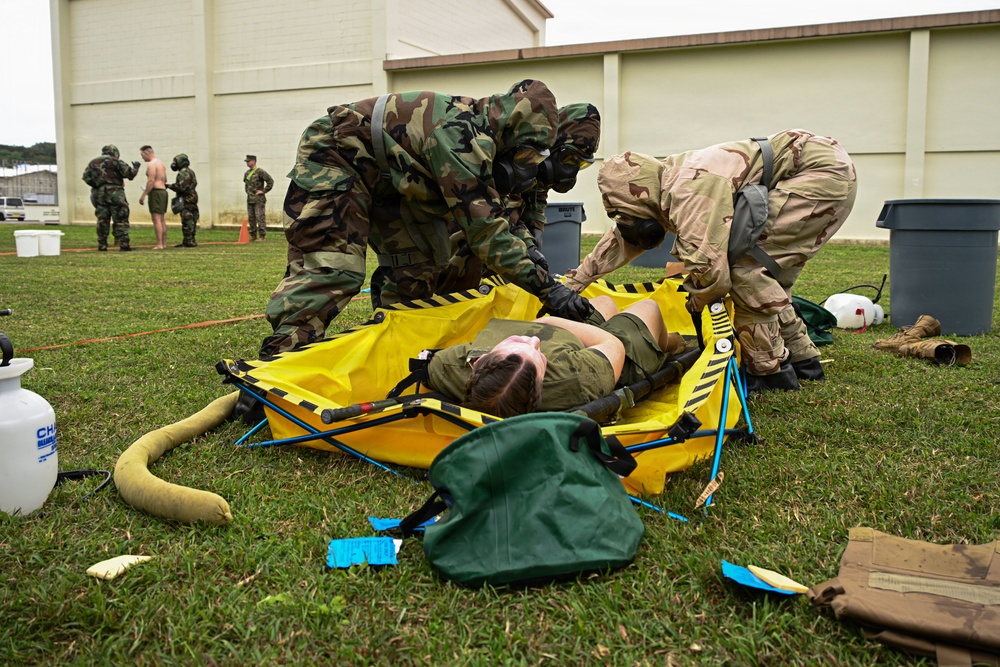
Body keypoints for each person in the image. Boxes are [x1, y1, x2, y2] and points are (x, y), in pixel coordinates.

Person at [260, 79, 594, 358]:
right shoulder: (462, 136)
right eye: (524, 154)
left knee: (420, 264)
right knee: (336, 267)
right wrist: (550, 291)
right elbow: (487, 232)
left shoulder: (489, 140)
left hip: (393, 177)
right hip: (338, 154)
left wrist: (535, 260)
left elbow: (507, 218)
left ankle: (397, 344)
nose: (526, 165)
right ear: (509, 129)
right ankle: (276, 361)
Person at [564, 129, 858, 392]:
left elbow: (713, 275)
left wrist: (695, 301)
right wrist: (573, 283)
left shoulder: (688, 189)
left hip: (819, 174)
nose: (632, 225)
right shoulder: (660, 183)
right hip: (818, 167)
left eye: (630, 215)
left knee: (747, 271)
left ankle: (770, 373)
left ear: (641, 198)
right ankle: (804, 361)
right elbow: (620, 241)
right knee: (765, 275)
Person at [432, 102, 602, 296]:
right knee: (476, 248)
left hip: (496, 220)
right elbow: (491, 217)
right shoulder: (513, 156)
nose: (571, 170)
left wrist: (535, 229)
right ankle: (453, 300)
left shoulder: (544, 168)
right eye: (569, 159)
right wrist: (526, 243)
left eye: (580, 164)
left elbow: (537, 196)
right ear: (552, 145)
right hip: (469, 216)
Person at [425, 296, 686, 417]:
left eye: (517, 341)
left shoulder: (449, 366)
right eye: (539, 355)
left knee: (605, 303)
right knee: (648, 308)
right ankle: (673, 343)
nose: (534, 340)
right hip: (609, 356)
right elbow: (612, 344)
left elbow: (433, 362)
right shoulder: (579, 377)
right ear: (542, 383)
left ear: (479, 361)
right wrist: (548, 321)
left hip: (565, 341)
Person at [81, 144, 141, 251]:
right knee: (121, 218)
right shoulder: (116, 161)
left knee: (102, 219)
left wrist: (97, 185)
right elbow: (130, 175)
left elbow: (86, 177)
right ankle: (123, 244)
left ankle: (102, 244)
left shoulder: (93, 162)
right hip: (116, 193)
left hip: (100, 193)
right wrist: (136, 167)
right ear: (115, 152)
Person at [138, 145, 169, 249]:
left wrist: (144, 195)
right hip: (163, 191)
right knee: (161, 219)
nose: (142, 158)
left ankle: (159, 244)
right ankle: (163, 243)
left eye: (142, 155)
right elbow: (165, 180)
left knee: (156, 219)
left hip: (156, 192)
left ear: (146, 153)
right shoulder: (161, 163)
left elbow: (151, 181)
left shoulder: (152, 164)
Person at [166, 153, 199, 247]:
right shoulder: (190, 171)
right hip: (192, 199)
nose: (174, 164)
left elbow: (182, 187)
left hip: (186, 200)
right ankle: (190, 240)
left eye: (175, 162)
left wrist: (169, 186)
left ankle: (189, 241)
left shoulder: (183, 173)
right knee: (192, 220)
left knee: (187, 220)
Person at [243, 155, 273, 242]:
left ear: (254, 161)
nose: (247, 163)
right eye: (247, 161)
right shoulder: (247, 173)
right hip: (250, 199)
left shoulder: (260, 172)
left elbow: (270, 181)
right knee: (251, 218)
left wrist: (263, 191)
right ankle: (253, 235)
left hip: (259, 199)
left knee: (260, 217)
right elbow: (246, 185)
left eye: (249, 161)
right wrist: (248, 193)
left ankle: (262, 236)